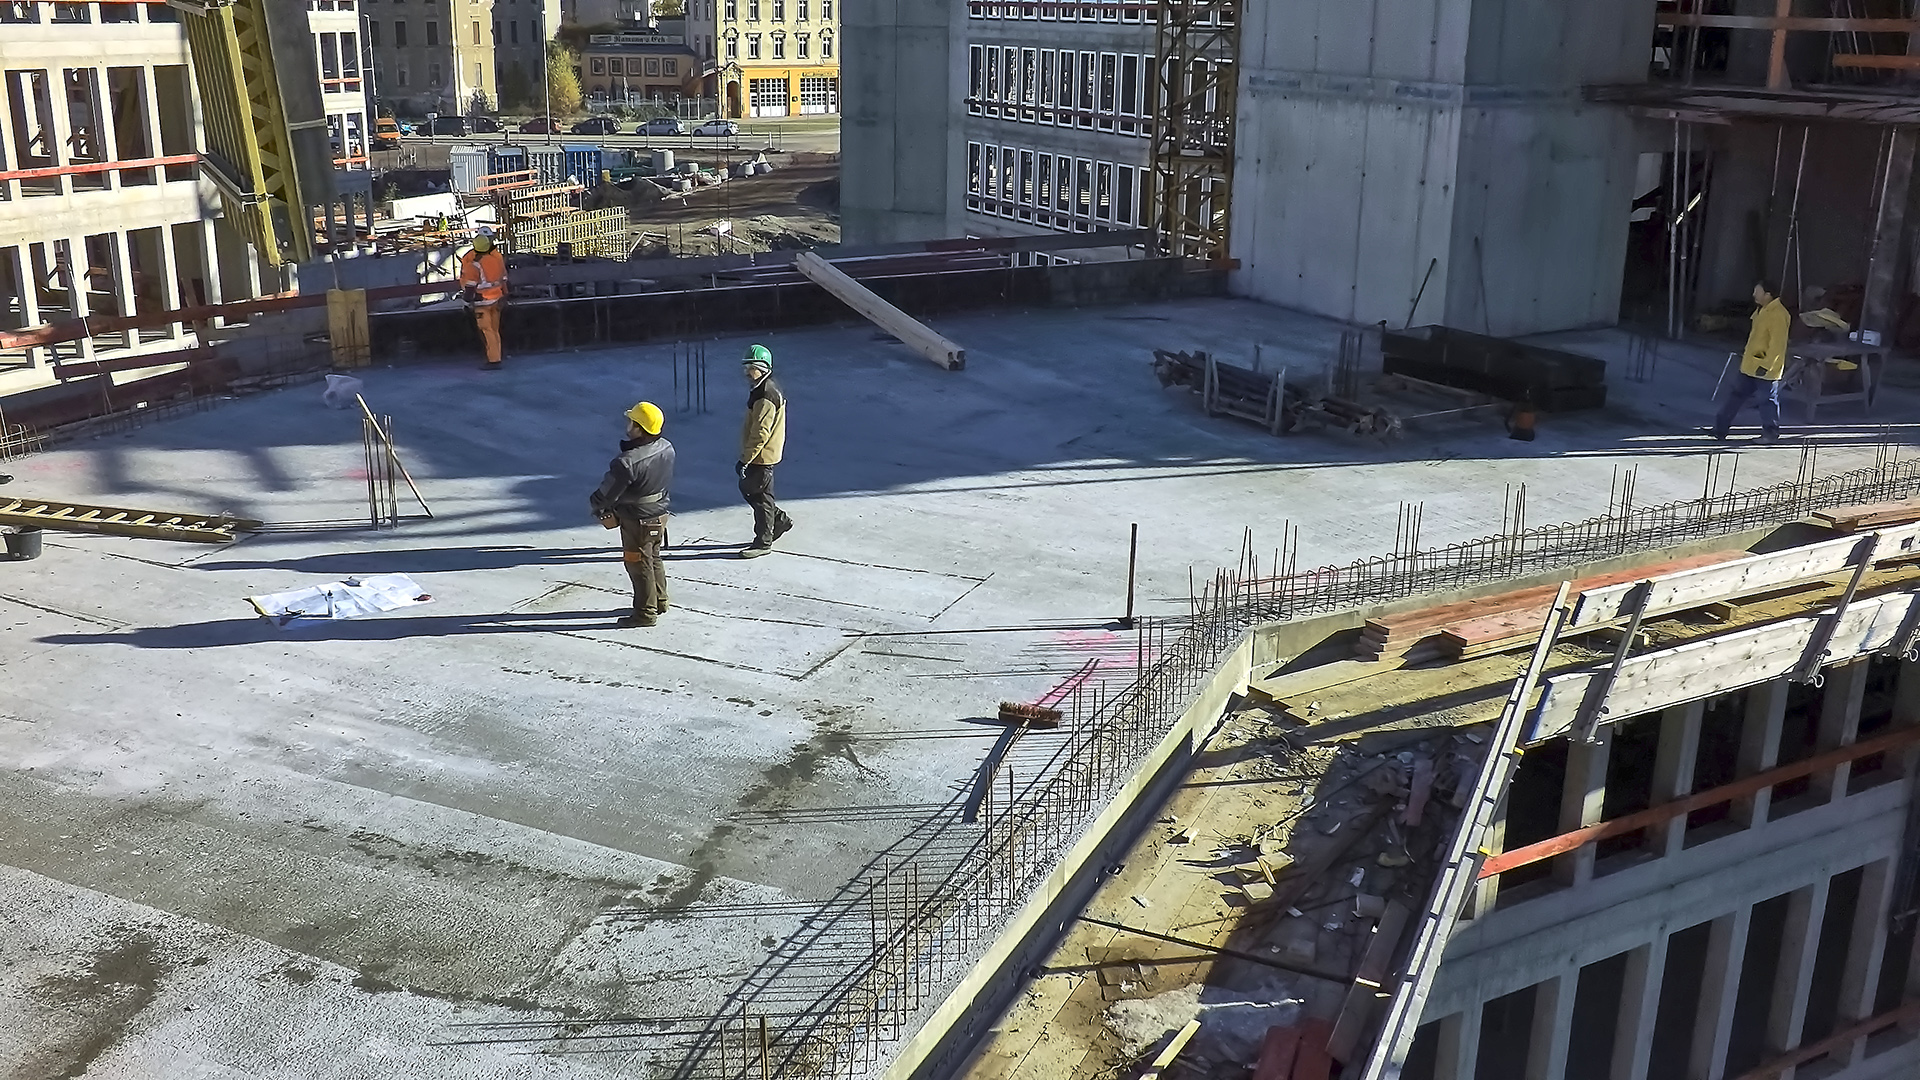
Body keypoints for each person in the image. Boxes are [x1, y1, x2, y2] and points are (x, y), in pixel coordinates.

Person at [590, 401, 674, 627]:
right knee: (653, 557)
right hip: (660, 514)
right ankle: (659, 600)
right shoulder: (667, 447)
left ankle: (645, 613)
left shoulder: (626, 462)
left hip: (638, 521)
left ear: (639, 428)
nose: (627, 425)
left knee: (638, 565)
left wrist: (596, 505)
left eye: (631, 422)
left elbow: (607, 493)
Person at [1712, 280, 1791, 442]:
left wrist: (1767, 365)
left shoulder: (1778, 315)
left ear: (1768, 295)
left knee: (1767, 401)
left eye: (1758, 291)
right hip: (1751, 365)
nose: (1754, 294)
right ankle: (1720, 429)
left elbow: (1777, 345)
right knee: (1736, 395)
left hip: (1765, 368)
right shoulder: (1762, 310)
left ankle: (1771, 433)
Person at [736, 343, 791, 558]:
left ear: (764, 368)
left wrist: (746, 459)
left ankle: (763, 541)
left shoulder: (765, 395)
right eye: (746, 368)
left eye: (752, 368)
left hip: (761, 456)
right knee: (761, 495)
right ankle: (778, 521)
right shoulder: (762, 389)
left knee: (757, 495)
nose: (748, 373)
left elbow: (761, 432)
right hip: (763, 454)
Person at [457, 226, 508, 370]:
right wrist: (505, 294)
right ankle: (495, 356)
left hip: (482, 301)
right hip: (496, 298)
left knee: (487, 330)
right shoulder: (496, 257)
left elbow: (470, 283)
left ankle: (493, 360)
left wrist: (466, 301)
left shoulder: (472, 260)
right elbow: (503, 278)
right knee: (494, 329)